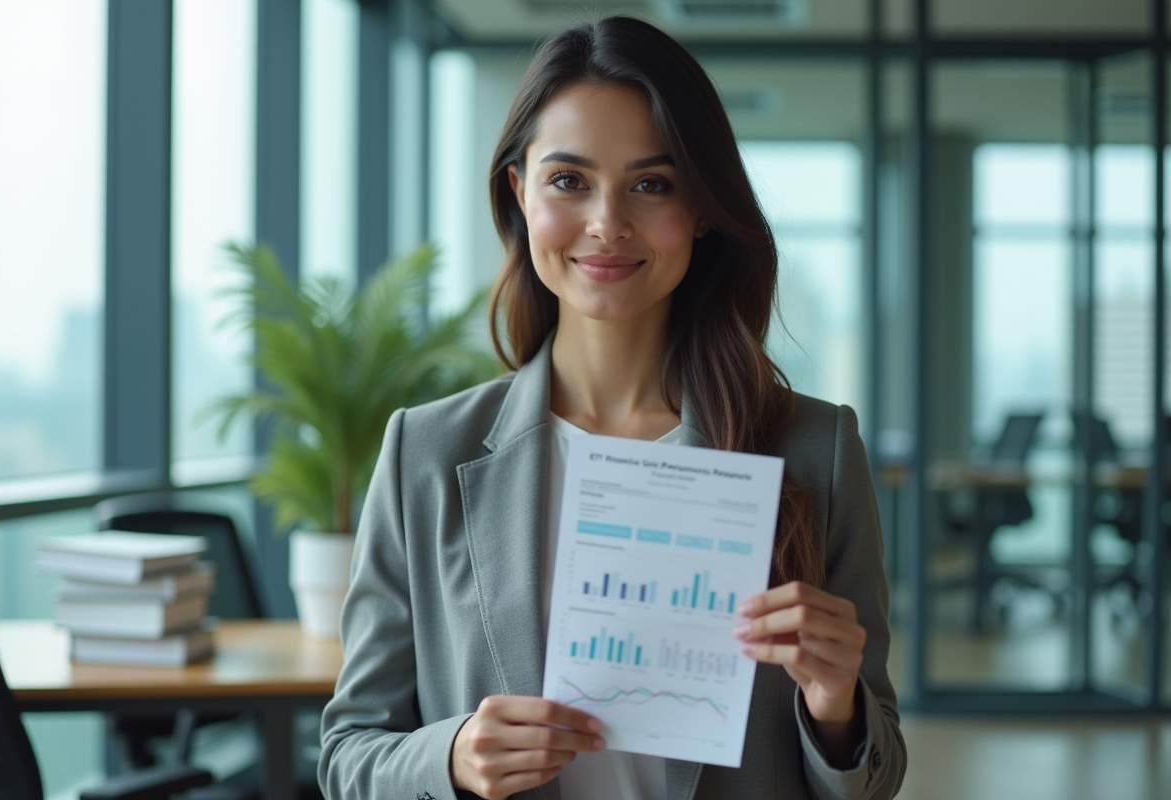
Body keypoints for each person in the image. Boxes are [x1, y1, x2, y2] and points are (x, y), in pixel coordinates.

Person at [318, 15, 905, 800]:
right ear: (518, 191)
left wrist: (837, 710)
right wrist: (451, 756)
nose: (607, 223)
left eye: (651, 184)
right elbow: (348, 755)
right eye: (569, 181)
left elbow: (879, 773)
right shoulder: (423, 453)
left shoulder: (814, 447)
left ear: (700, 208)